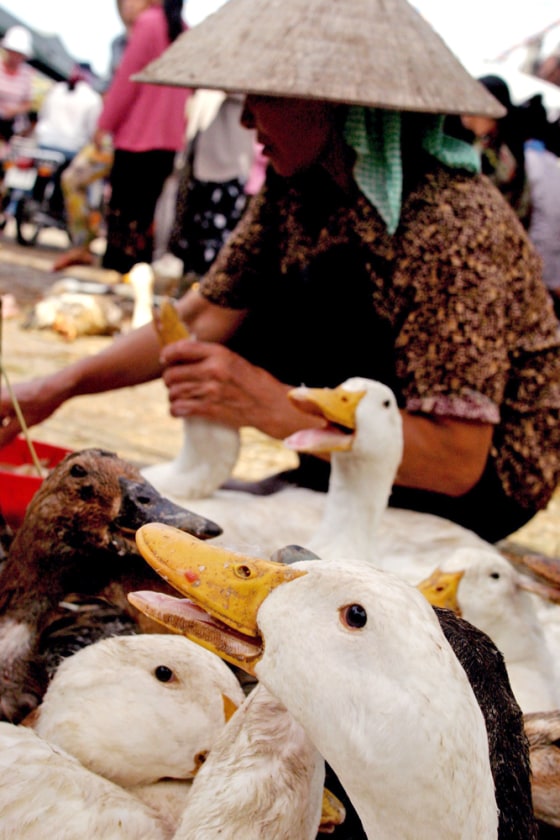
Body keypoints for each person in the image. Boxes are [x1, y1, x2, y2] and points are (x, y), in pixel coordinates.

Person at [2, 0, 560, 544]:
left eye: (264, 96)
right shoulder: (296, 187)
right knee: (269, 303)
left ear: (337, 104)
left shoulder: (452, 223)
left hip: (474, 493)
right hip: (355, 455)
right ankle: (310, 485)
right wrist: (54, 389)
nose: (246, 117)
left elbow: (458, 460)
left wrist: (270, 405)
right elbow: (201, 315)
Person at [94, 0, 190, 273]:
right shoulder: (182, 29)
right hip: (168, 142)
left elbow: (127, 81)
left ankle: (118, 273)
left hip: (138, 138)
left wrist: (105, 124)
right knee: (145, 215)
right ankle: (137, 277)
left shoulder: (149, 23)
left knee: (124, 214)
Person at [0, 25, 33, 144]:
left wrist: (14, 110)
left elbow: (28, 103)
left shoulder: (26, 74)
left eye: (19, 53)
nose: (15, 57)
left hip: (10, 127)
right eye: (13, 52)